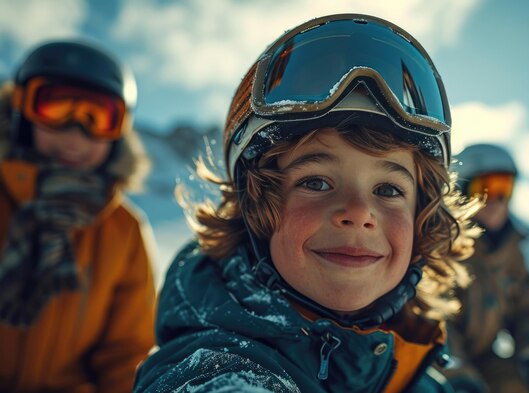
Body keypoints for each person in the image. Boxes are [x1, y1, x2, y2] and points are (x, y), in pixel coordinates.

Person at [134, 13, 481, 393]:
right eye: (316, 182)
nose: (358, 213)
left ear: (423, 220)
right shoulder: (218, 370)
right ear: (257, 209)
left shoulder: (414, 374)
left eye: (388, 190)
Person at [0, 40, 156, 392]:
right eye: (56, 107)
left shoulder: (124, 231)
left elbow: (127, 354)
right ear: (22, 111)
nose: (75, 133)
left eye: (97, 117)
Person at [442, 143, 529, 393]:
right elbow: (432, 320)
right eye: (484, 189)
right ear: (461, 192)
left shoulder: (509, 251)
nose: (495, 200)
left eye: (504, 189)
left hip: (485, 357)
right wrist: (456, 373)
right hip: (444, 362)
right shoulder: (442, 245)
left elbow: (525, 308)